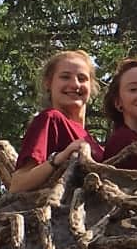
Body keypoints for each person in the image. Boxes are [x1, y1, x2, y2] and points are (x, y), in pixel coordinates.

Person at [10, 50, 103, 192]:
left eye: (82, 78)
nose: (75, 84)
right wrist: (59, 158)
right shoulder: (51, 119)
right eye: (65, 77)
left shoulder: (92, 141)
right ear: (48, 83)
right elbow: (18, 184)